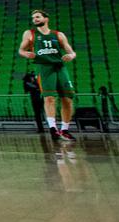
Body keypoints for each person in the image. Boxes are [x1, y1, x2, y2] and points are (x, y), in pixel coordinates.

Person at [18, 8, 77, 140]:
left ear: (46, 19)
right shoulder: (30, 33)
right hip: (43, 68)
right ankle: (52, 128)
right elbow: (21, 50)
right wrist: (25, 53)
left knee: (67, 99)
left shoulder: (58, 35)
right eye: (33, 18)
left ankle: (65, 130)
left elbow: (72, 52)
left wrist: (71, 55)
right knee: (49, 98)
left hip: (60, 67)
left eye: (38, 17)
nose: (35, 19)